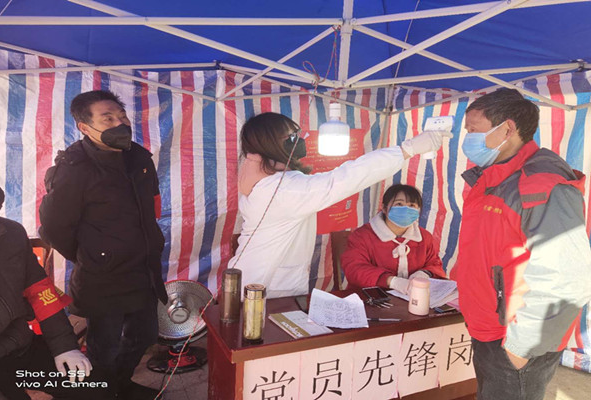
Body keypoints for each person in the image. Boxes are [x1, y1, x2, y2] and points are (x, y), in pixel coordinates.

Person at [450, 88, 591, 400]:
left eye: (473, 130)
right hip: (489, 329)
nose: (467, 139)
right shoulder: (494, 177)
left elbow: (568, 278)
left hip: (514, 341)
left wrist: (520, 347)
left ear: (507, 129)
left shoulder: (542, 184)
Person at [228, 112, 452, 298]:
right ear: (272, 143)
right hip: (263, 288)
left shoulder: (266, 181)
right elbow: (345, 179)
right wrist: (407, 149)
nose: (298, 140)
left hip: (258, 281)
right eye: (291, 136)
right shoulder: (282, 189)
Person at [39, 90, 167, 400]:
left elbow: (151, 205)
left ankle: (120, 384)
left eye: (121, 117)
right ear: (84, 127)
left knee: (145, 335)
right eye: (107, 119)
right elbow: (54, 227)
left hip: (143, 269)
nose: (119, 124)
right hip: (103, 276)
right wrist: (93, 254)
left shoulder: (139, 158)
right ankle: (102, 392)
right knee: (103, 348)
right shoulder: (74, 167)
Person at [0, 169, 105, 400]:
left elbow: (41, 292)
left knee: (95, 387)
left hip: (18, 346)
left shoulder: (11, 233)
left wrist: (65, 346)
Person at [341, 184, 446, 292]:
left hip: (411, 296)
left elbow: (434, 264)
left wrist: (424, 273)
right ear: (384, 208)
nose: (406, 209)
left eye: (412, 205)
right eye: (399, 204)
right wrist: (391, 281)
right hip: (369, 296)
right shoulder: (362, 236)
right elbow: (354, 269)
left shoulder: (425, 237)